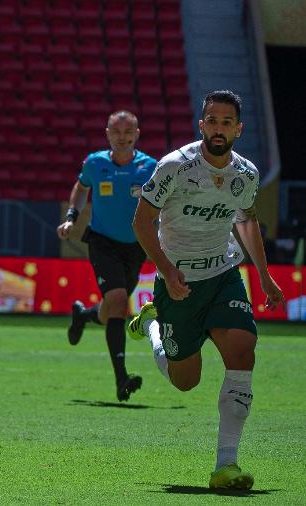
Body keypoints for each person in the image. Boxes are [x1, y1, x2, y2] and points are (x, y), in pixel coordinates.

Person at [128, 90, 284, 490]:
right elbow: (142, 222)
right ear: (202, 125)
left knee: (242, 350)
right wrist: (166, 269)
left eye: (226, 122)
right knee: (186, 381)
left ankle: (226, 465)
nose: (218, 129)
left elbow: (246, 221)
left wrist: (264, 275)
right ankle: (153, 327)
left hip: (223, 274)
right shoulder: (175, 166)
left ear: (238, 129)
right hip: (177, 283)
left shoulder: (246, 174)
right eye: (212, 121)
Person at [56, 110, 157, 401]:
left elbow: (163, 201)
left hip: (136, 246)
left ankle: (84, 315)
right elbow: (80, 187)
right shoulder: (95, 163)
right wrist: (72, 217)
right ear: (108, 134)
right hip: (102, 242)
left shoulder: (150, 167)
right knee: (117, 301)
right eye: (117, 131)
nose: (122, 137)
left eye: (129, 132)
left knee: (111, 307)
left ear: (137, 134)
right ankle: (121, 379)